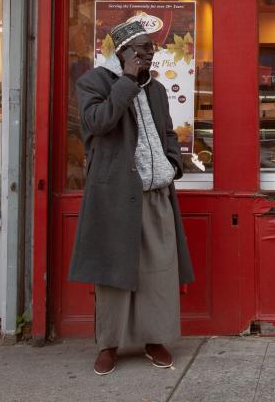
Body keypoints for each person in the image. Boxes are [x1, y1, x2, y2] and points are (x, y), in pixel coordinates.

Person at [69, 19, 194, 375]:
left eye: (152, 49)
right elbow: (97, 123)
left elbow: (167, 132)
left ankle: (156, 339)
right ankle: (109, 345)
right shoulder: (93, 82)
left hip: (155, 193)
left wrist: (173, 164)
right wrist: (126, 81)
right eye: (142, 50)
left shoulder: (155, 89)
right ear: (122, 52)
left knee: (159, 271)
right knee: (113, 273)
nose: (149, 56)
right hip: (114, 196)